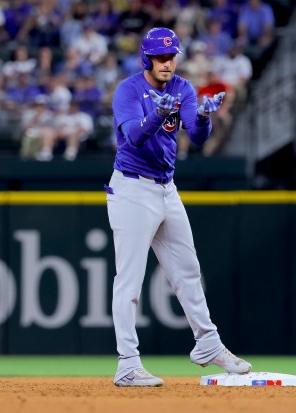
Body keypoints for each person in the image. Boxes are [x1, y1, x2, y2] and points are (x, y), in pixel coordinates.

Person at [106, 27, 251, 388]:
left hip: (166, 189)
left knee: (188, 270)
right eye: (160, 56)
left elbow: (198, 138)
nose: (168, 62)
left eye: (172, 56)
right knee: (130, 281)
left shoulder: (183, 88)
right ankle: (127, 363)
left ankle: (208, 344)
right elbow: (135, 137)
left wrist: (202, 117)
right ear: (146, 58)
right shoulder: (128, 90)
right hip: (131, 189)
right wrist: (157, 115)